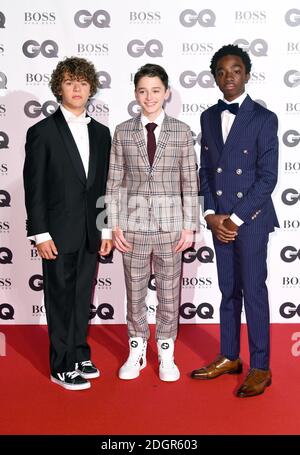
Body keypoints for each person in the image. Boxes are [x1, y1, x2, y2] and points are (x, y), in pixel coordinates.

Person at [191, 44, 279, 397]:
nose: (229, 77)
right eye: (222, 72)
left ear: (247, 74)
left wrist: (236, 218)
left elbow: (268, 177)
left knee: (254, 292)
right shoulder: (208, 117)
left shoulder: (263, 117)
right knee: (228, 290)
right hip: (220, 222)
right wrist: (211, 214)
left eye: (236, 70)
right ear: (215, 76)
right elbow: (206, 170)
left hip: (251, 220)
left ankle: (260, 366)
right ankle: (229, 355)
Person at [106, 63, 199, 382]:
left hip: (172, 228)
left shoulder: (182, 131)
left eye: (156, 90)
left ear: (167, 92)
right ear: (135, 94)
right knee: (134, 293)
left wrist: (190, 226)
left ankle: (166, 352)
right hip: (131, 227)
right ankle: (137, 350)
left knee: (170, 294)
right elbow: (114, 181)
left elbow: (190, 181)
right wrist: (112, 224)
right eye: (143, 91)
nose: (149, 97)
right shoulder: (122, 130)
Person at [23, 57, 112, 390]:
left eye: (83, 83)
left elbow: (104, 186)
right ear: (58, 87)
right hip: (56, 233)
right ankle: (61, 365)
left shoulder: (102, 133)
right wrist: (39, 233)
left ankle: (79, 352)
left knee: (80, 296)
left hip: (90, 231)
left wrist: (104, 227)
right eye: (70, 82)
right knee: (59, 297)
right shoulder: (42, 132)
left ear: (91, 88)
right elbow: (35, 187)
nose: (77, 89)